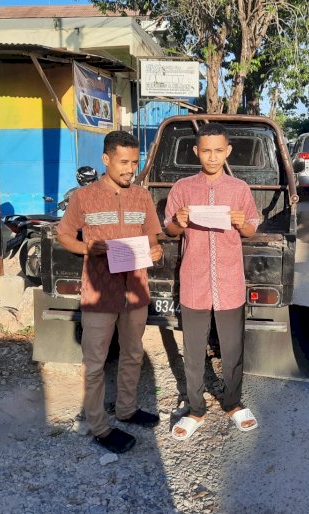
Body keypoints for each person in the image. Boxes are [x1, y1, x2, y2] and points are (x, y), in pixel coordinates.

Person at [57, 130, 164, 454]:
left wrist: (156, 250)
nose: (130, 169)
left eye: (134, 162)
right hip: (99, 294)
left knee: (133, 354)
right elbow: (64, 236)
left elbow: (152, 238)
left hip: (135, 291)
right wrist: (89, 247)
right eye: (123, 162)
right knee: (95, 363)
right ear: (106, 160)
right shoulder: (83, 197)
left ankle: (127, 409)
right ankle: (99, 426)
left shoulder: (142, 197)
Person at [164, 122, 262, 440]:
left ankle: (232, 402)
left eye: (218, 150)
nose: (212, 156)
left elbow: (251, 230)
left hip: (230, 281)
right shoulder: (182, 188)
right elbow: (170, 229)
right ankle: (195, 409)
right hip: (194, 281)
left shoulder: (240, 189)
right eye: (206, 150)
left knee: (232, 349)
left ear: (228, 151)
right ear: (196, 152)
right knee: (193, 351)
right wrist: (178, 222)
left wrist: (242, 222)